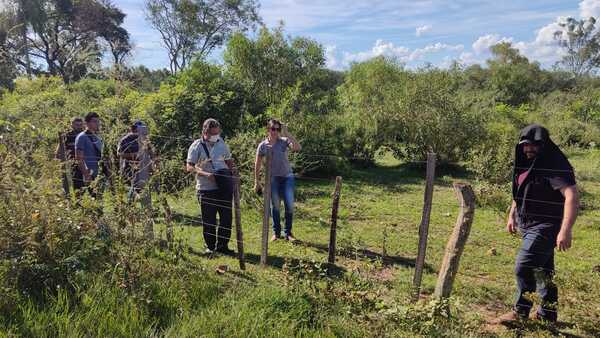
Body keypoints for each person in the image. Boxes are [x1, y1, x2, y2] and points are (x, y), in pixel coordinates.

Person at [496, 124, 579, 324]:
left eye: (534, 145)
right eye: (525, 145)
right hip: (528, 224)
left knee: (523, 267)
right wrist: (512, 215)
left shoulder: (554, 165)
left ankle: (520, 312)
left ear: (543, 145)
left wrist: (565, 230)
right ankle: (548, 316)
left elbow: (572, 196)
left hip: (546, 226)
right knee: (543, 272)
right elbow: (520, 191)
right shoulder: (526, 163)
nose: (528, 149)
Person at [186, 118, 235, 254]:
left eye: (217, 133)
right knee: (209, 220)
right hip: (206, 188)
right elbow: (189, 166)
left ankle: (223, 247)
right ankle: (210, 247)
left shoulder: (221, 143)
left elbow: (229, 160)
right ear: (205, 132)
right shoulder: (196, 146)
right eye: (213, 134)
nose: (216, 136)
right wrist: (205, 174)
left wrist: (233, 173)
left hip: (223, 186)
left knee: (226, 217)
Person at [254, 119, 301, 242]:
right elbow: (257, 164)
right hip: (272, 178)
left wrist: (286, 132)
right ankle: (276, 232)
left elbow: (297, 148)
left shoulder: (284, 141)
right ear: (268, 129)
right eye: (273, 129)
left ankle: (288, 233)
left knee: (289, 206)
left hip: (287, 177)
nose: (275, 132)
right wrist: (256, 181)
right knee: (274, 206)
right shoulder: (263, 145)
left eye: (277, 129)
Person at [118, 121, 156, 239]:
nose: (144, 131)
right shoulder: (125, 139)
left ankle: (147, 229)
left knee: (145, 198)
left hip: (144, 172)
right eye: (141, 129)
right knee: (132, 196)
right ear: (134, 129)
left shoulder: (145, 139)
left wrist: (152, 165)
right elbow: (120, 154)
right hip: (130, 172)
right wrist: (137, 155)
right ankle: (127, 221)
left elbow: (151, 153)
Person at [74, 112, 104, 198]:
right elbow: (79, 157)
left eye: (98, 121)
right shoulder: (82, 137)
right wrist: (86, 174)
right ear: (87, 123)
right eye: (94, 121)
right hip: (88, 174)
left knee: (98, 199)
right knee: (89, 198)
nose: (97, 123)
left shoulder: (97, 136)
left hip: (98, 173)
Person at [55, 117, 84, 196]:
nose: (79, 126)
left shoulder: (86, 135)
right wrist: (66, 162)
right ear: (72, 125)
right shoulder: (67, 136)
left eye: (81, 125)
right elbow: (58, 154)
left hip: (86, 164)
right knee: (74, 186)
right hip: (72, 165)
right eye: (77, 125)